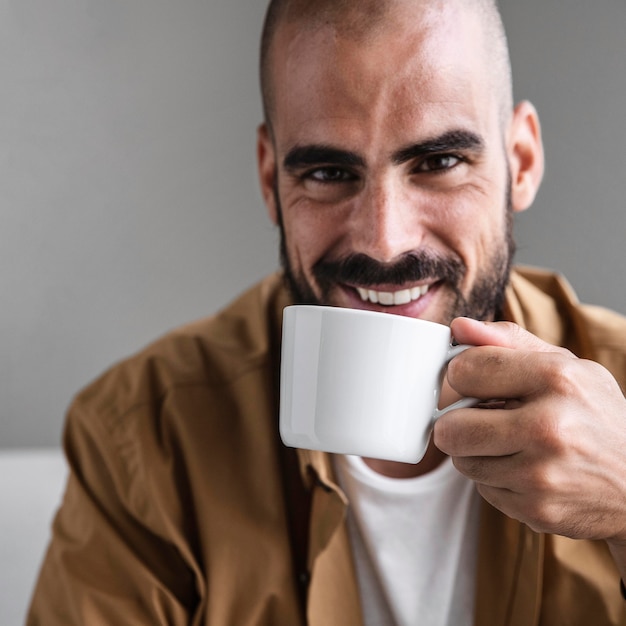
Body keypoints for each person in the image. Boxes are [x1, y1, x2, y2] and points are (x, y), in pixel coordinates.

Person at [28, 1, 626, 624]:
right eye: (328, 172)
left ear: (520, 162)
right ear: (269, 181)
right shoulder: (145, 438)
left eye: (439, 162)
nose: (384, 240)